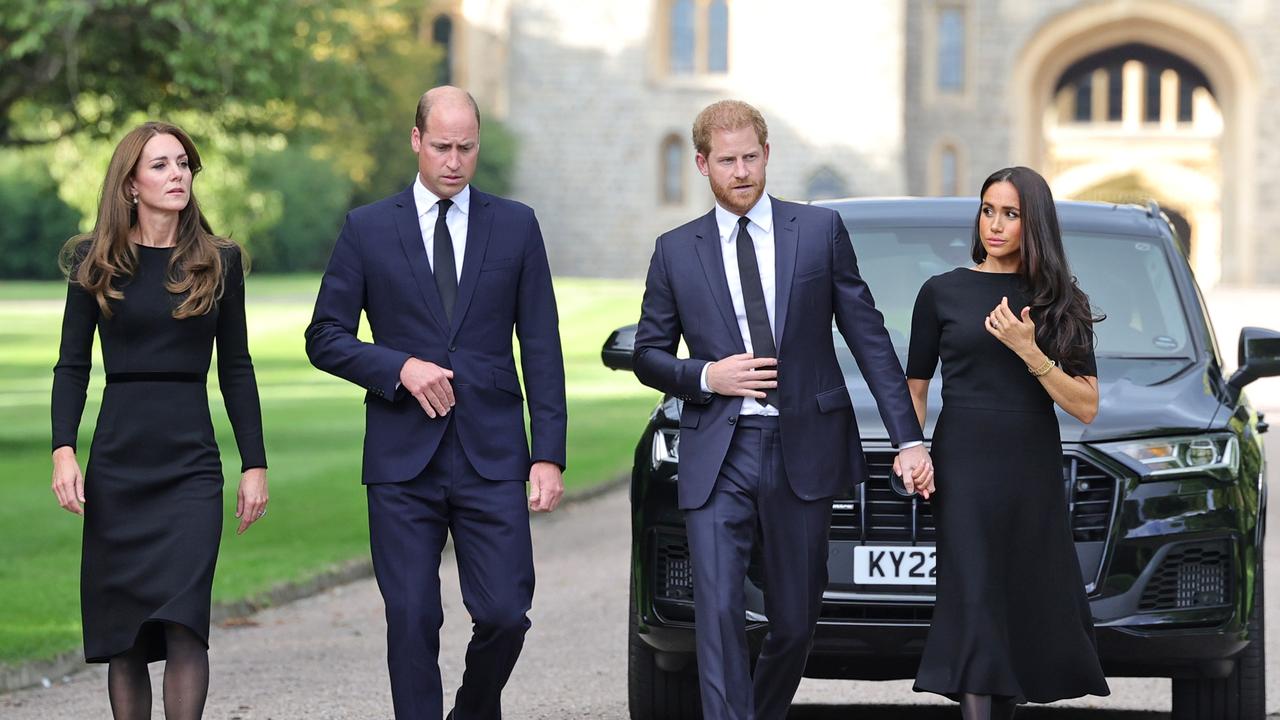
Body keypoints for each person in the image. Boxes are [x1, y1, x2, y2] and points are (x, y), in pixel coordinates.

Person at [632, 99, 934, 720]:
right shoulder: (674, 251)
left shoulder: (818, 232)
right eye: (726, 161)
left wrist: (908, 440)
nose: (740, 172)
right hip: (720, 449)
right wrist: (708, 375)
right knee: (717, 616)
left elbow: (869, 338)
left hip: (804, 447)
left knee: (795, 625)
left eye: (750, 158)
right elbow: (649, 356)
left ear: (767, 155)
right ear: (701, 164)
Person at [305, 86, 566, 720]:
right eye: (442, 146)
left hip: (493, 456)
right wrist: (399, 367)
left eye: (467, 147)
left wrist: (548, 454)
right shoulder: (367, 228)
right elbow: (325, 337)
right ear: (416, 141)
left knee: (506, 613)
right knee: (413, 618)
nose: (454, 160)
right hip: (402, 461)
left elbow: (541, 344)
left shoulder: (517, 224)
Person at [50, 121, 269, 720]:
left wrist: (255, 463)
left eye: (183, 164)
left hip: (190, 469)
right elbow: (71, 367)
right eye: (161, 165)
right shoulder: (93, 262)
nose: (177, 175)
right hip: (119, 466)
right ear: (130, 184)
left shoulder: (218, 262)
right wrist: (63, 449)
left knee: (184, 624)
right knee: (123, 637)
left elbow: (238, 370)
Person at [906, 166, 1111, 718]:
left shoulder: (1061, 301)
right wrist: (912, 447)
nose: (995, 225)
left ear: (1033, 223)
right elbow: (916, 387)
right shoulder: (941, 292)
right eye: (988, 210)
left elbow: (1085, 406)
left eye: (1011, 214)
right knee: (972, 594)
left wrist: (1030, 350)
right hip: (963, 462)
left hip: (1030, 464)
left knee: (1015, 596)